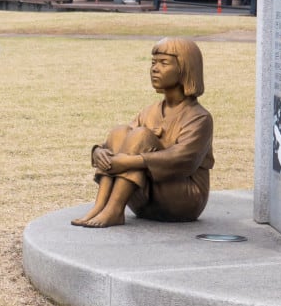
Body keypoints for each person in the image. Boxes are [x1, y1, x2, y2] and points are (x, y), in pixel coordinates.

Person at [72, 37, 214, 228]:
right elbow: (120, 143)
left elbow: (182, 160)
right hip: (145, 200)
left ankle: (114, 209)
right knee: (120, 131)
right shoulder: (150, 111)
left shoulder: (199, 118)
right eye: (153, 63)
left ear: (185, 68)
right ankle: (101, 205)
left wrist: (129, 161)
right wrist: (98, 152)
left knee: (140, 136)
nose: (155, 69)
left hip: (182, 201)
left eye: (164, 63)